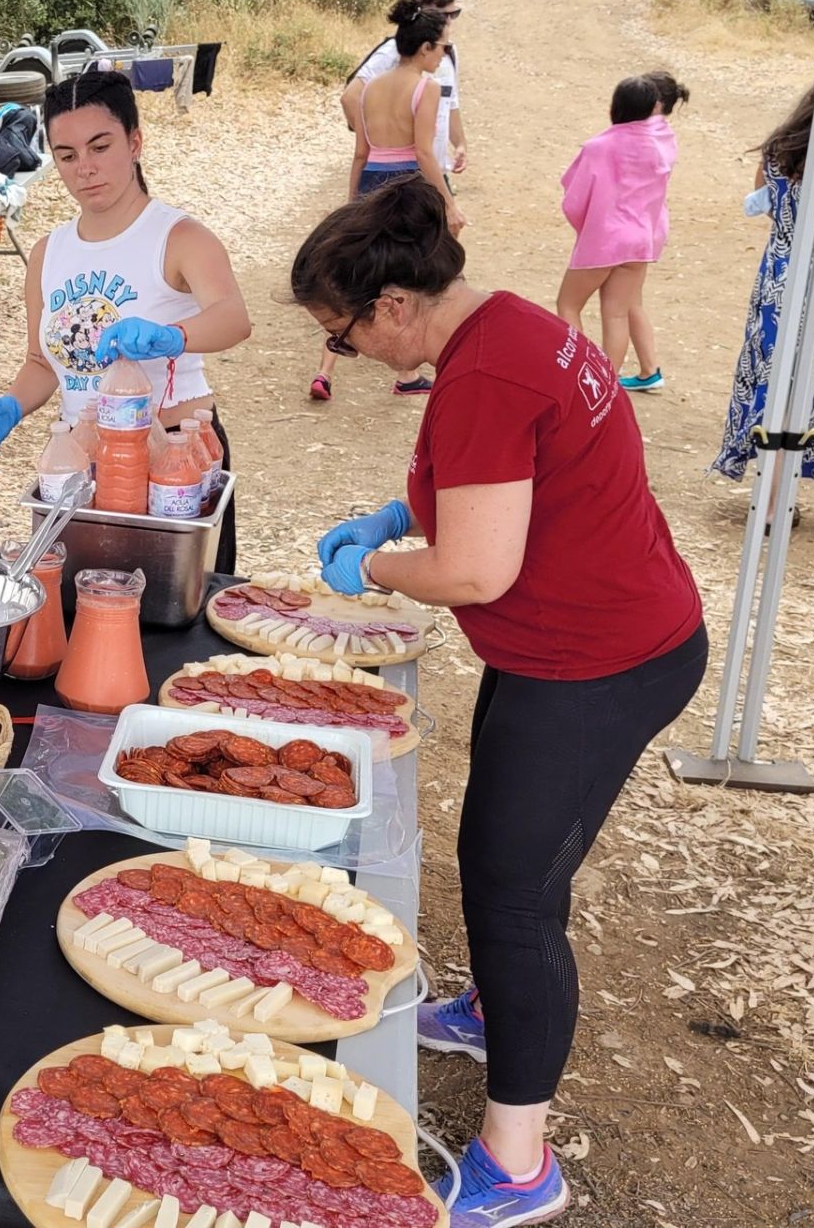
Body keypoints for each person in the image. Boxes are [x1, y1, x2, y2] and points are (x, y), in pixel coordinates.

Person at [293, 178, 706, 1227]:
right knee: (510, 850)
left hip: (603, 656)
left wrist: (383, 564)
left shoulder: (483, 375)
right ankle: (493, 1009)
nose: (345, 356)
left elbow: (475, 569)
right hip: (573, 639)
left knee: (512, 887)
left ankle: (521, 1160)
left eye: (341, 337)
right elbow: (513, 481)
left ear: (393, 307)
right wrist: (406, 505)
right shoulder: (511, 324)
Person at [0, 68, 251, 572]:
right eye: (67, 155)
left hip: (173, 458)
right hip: (84, 460)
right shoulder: (48, 253)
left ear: (135, 142)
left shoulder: (178, 237)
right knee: (87, 608)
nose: (85, 169)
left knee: (173, 620)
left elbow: (233, 318)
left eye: (101, 147)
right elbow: (42, 361)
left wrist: (171, 336)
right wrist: (11, 405)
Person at [311, 1, 461, 402]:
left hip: (371, 181)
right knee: (415, 276)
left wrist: (351, 204)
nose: (444, 54)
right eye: (442, 47)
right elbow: (425, 153)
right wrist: (448, 202)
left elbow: (361, 151)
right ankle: (415, 370)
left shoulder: (369, 88)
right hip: (408, 185)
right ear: (425, 48)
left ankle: (326, 369)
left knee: (354, 276)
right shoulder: (425, 88)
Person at [713, 85, 814, 522]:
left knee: (779, 384)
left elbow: (761, 205)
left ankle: (770, 503)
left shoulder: (782, 150)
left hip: (782, 282)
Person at [556, 72, 689, 392]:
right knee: (617, 313)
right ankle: (605, 383)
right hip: (641, 238)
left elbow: (574, 199)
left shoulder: (600, 146)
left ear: (615, 107)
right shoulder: (662, 140)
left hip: (606, 239)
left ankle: (576, 379)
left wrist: (587, 230)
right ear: (654, 108)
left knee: (568, 305)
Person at [350, 0, 468, 182]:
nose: (448, 21)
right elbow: (351, 96)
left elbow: (450, 102)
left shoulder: (447, 52)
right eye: (442, 14)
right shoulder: (393, 51)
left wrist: (460, 143)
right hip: (409, 172)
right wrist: (382, 142)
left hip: (434, 170)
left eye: (453, 14)